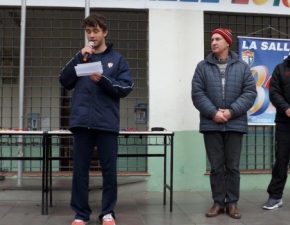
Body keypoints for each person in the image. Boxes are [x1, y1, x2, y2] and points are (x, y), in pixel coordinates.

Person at [59, 13, 133, 225]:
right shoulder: (82, 56)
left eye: (95, 31)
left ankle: (108, 213)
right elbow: (64, 80)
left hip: (106, 123)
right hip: (82, 122)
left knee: (109, 172)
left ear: (104, 32)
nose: (91, 35)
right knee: (80, 171)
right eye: (88, 32)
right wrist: (78, 57)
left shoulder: (117, 60)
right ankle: (81, 215)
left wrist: (103, 80)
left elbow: (126, 87)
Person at [191, 28, 257, 219]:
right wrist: (213, 113)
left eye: (218, 39)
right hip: (211, 124)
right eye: (212, 39)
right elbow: (197, 94)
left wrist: (230, 112)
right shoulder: (202, 66)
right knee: (216, 166)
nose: (213, 42)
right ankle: (218, 203)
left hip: (235, 123)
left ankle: (233, 204)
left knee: (233, 166)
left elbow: (250, 93)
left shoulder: (242, 67)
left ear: (228, 42)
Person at [262, 56, 290, 210]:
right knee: (281, 159)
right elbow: (273, 92)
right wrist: (286, 108)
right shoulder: (280, 69)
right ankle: (275, 197)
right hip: (284, 123)